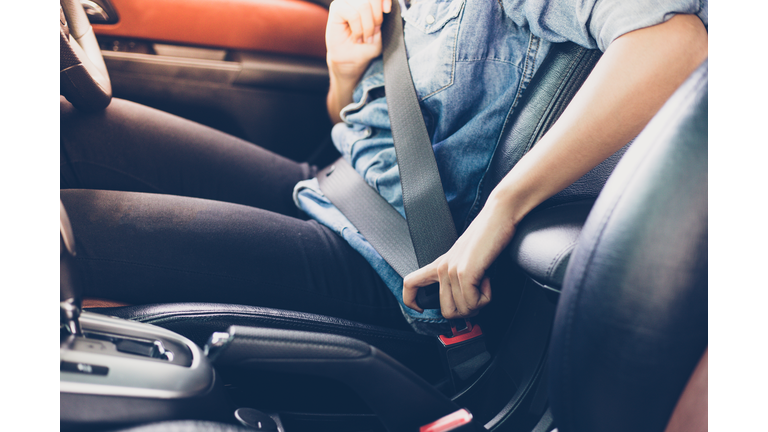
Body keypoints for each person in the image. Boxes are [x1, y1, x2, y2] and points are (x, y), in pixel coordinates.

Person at [60, 0, 708, 335]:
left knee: (65, 231)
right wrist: (345, 66)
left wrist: (501, 212)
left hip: (393, 258)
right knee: (78, 126)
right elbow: (353, 118)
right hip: (337, 188)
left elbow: (676, 42)